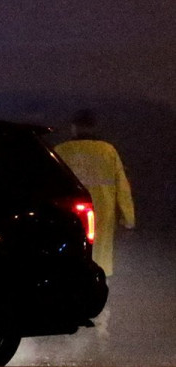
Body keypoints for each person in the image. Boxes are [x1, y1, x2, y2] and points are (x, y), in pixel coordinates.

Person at [57, 109, 135, 276]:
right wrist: (128, 219)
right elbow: (122, 188)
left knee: (71, 249)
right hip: (103, 211)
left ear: (74, 128)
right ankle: (98, 289)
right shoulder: (108, 151)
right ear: (94, 128)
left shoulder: (61, 151)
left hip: (70, 211)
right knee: (100, 255)